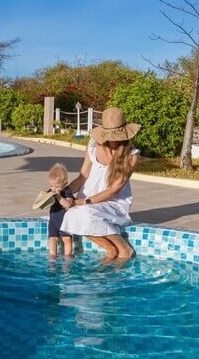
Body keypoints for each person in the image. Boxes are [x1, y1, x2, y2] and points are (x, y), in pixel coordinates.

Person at [59, 107, 140, 263]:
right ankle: (111, 249)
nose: (112, 139)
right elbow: (82, 177)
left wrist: (84, 202)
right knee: (69, 214)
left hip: (113, 203)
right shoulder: (92, 147)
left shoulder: (131, 156)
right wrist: (63, 192)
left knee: (85, 213)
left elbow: (115, 190)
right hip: (88, 202)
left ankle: (124, 249)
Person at [45, 163, 75, 258]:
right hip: (54, 220)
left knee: (67, 239)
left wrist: (58, 196)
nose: (53, 189)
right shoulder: (51, 190)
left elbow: (68, 204)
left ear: (65, 183)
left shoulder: (67, 191)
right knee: (52, 239)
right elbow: (45, 204)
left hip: (65, 221)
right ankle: (53, 257)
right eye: (51, 186)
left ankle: (67, 257)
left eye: (56, 187)